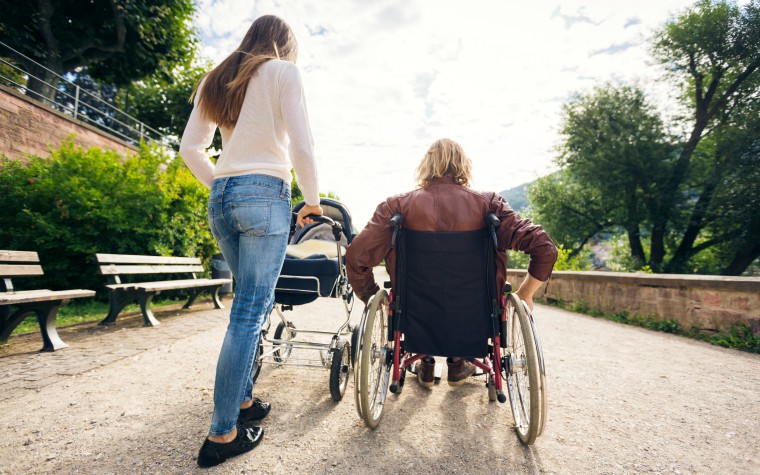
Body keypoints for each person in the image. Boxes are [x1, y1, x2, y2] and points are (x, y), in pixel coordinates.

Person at [179, 15, 322, 468]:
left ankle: (241, 402)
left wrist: (222, 185)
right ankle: (222, 435)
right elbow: (302, 145)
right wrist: (313, 201)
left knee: (247, 306)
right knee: (248, 312)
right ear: (282, 44)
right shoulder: (283, 71)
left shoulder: (216, 78)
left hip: (222, 198)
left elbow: (189, 149)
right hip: (265, 194)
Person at [345, 138, 557, 388]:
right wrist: (526, 294)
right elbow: (544, 247)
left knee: (418, 303)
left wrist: (373, 297)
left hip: (412, 316)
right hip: (476, 317)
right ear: (463, 166)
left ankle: (425, 360)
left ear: (425, 166)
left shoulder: (397, 206)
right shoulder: (488, 205)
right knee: (465, 303)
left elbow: (355, 258)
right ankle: (458, 362)